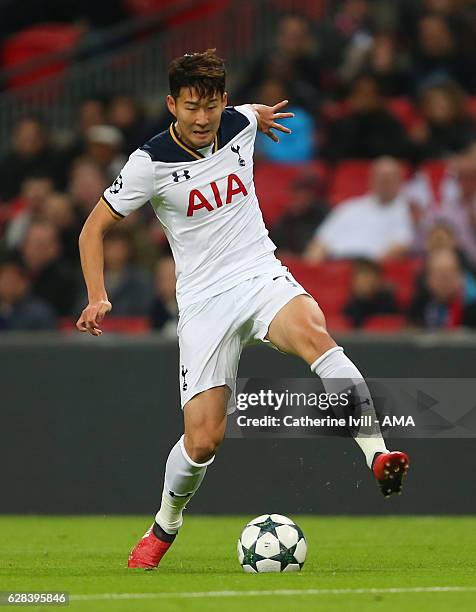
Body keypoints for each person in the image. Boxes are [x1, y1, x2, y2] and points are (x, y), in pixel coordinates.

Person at [76, 50, 410, 570]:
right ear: (172, 105)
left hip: (259, 275)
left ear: (223, 102)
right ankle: (166, 523)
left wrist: (263, 114)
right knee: (204, 440)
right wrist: (97, 294)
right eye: (191, 108)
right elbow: (92, 228)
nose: (202, 118)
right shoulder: (149, 163)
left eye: (210, 106)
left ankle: (378, 453)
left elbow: (253, 112)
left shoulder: (239, 123)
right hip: (204, 301)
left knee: (317, 334)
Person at [305, 157, 414, 262]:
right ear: (371, 179)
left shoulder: (407, 211)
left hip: (371, 269)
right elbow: (320, 242)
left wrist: (368, 270)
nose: (384, 183)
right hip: (336, 265)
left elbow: (401, 246)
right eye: (381, 178)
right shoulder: (349, 207)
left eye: (389, 178)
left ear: (400, 180)